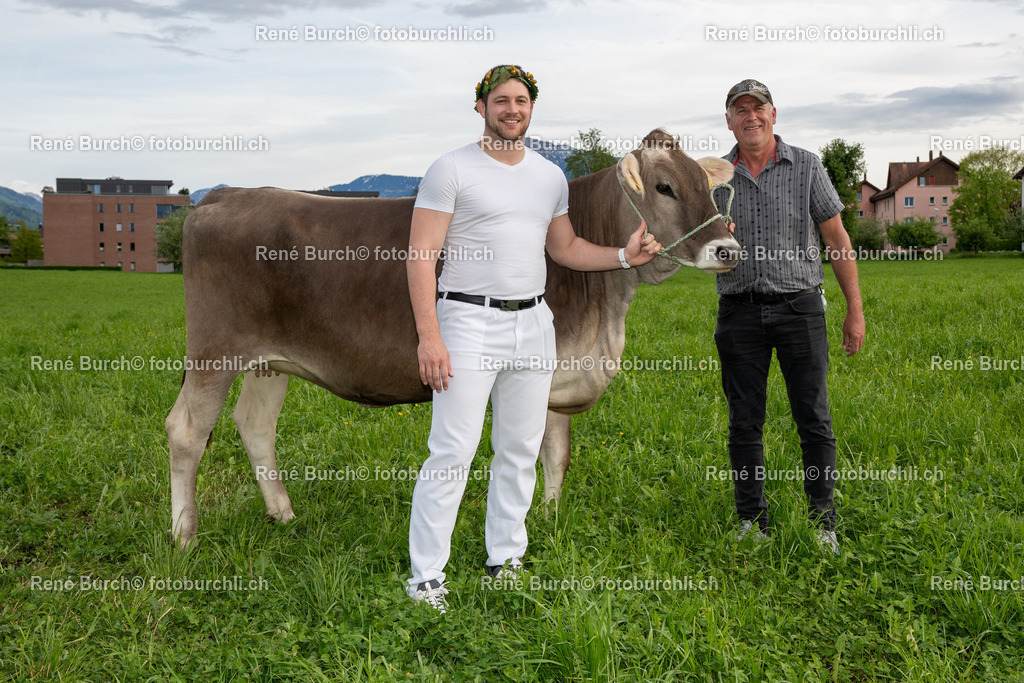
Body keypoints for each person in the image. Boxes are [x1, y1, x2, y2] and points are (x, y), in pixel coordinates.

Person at [405, 64, 662, 612]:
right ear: (481, 106)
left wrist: (623, 256)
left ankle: (505, 558)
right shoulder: (450, 169)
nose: (511, 109)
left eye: (521, 100)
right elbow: (422, 255)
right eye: (501, 100)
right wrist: (430, 335)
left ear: (531, 108)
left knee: (519, 448)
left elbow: (564, 249)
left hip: (533, 324)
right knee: (452, 451)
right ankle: (426, 576)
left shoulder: (549, 176)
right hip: (468, 322)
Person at [713, 79, 865, 554]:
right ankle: (750, 521)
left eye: (758, 108)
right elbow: (704, 250)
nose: (750, 117)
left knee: (813, 420)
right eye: (741, 110)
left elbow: (837, 239)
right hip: (739, 312)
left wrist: (854, 311)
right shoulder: (715, 177)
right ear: (729, 121)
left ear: (774, 114)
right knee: (744, 422)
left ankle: (823, 523)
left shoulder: (807, 166)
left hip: (800, 309)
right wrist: (719, 239)